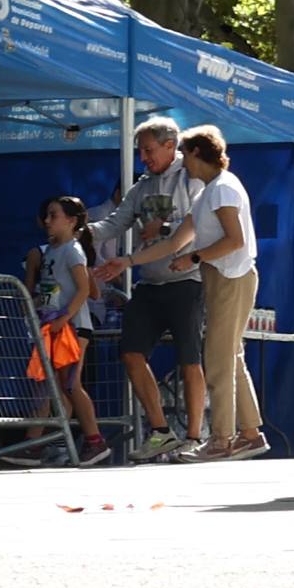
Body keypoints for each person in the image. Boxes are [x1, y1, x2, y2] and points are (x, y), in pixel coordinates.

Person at [98, 126, 267, 459]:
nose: (182, 164)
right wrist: (128, 261)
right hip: (220, 277)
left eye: (184, 155)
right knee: (230, 356)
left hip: (231, 277)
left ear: (194, 153)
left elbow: (235, 240)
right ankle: (250, 433)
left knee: (217, 361)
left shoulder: (222, 189)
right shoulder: (206, 193)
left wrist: (194, 257)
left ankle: (220, 440)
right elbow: (174, 242)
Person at [97, 116, 201, 460]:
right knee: (130, 352)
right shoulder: (140, 186)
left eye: (148, 150)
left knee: (189, 359)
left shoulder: (192, 176)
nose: (143, 157)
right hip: (149, 282)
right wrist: (78, 229)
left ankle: (193, 436)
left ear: (171, 146)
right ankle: (160, 431)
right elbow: (115, 223)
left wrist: (165, 223)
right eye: (140, 151)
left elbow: (202, 221)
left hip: (187, 281)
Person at [33, 195, 113, 465]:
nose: (47, 221)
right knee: (53, 387)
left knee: (71, 384)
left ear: (71, 221)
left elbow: (84, 290)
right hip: (53, 324)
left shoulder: (72, 250)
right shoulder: (51, 251)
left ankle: (95, 440)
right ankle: (42, 443)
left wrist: (65, 317)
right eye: (47, 215)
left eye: (53, 215)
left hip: (74, 327)